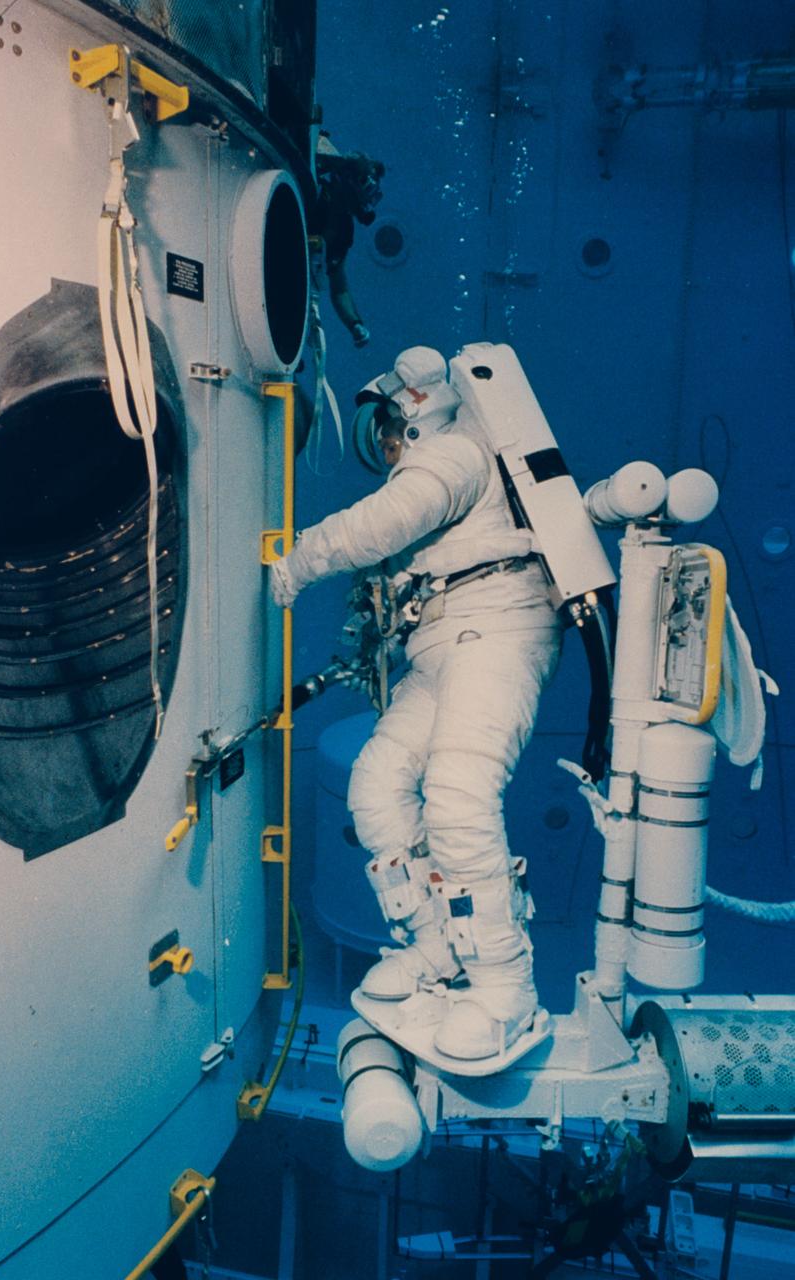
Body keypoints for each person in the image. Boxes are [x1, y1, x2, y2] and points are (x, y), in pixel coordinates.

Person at [269, 347, 562, 1062]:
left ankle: (504, 988)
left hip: (496, 630)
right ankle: (436, 946)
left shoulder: (457, 456)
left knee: (458, 798)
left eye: (390, 434)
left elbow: (382, 523)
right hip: (442, 645)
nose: (388, 451)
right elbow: (381, 586)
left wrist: (295, 563)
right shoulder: (436, 481)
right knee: (375, 786)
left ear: (416, 411)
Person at [310, 137, 385, 347]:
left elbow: (339, 286)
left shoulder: (343, 230)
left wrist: (354, 324)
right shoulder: (315, 184)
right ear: (355, 180)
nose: (367, 199)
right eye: (368, 187)